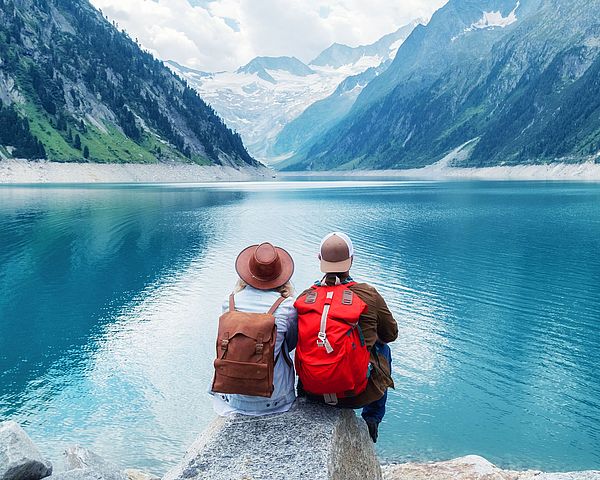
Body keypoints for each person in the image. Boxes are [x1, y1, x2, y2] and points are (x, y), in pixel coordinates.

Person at [295, 232, 398, 442]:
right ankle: (372, 418)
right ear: (351, 259)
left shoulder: (305, 298)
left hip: (313, 392)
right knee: (384, 349)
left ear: (319, 259)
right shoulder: (368, 294)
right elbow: (391, 334)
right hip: (356, 394)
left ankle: (305, 395)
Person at [210, 242, 298, 416]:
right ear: (281, 275)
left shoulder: (229, 303)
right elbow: (291, 343)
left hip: (233, 397)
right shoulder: (288, 307)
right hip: (276, 399)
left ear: (247, 273)